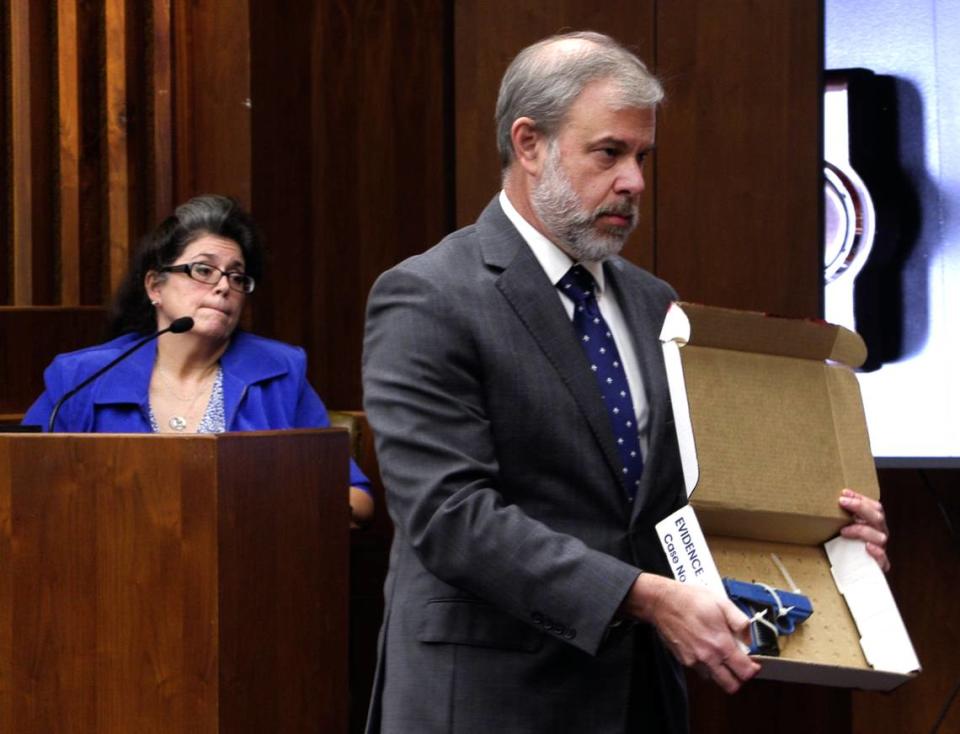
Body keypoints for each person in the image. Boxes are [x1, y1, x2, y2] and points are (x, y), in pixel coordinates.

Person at [361, 31, 890, 733]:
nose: (635, 181)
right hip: (491, 697)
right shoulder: (429, 296)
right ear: (529, 145)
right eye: (609, 153)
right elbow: (450, 518)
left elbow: (677, 507)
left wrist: (826, 547)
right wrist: (646, 597)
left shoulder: (652, 303)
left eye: (642, 157)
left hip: (638, 698)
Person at [24, 194, 373, 527]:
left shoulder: (279, 373)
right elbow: (20, 486)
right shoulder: (84, 377)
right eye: (203, 270)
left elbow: (358, 499)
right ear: (154, 287)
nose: (223, 286)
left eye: (237, 277)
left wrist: (285, 502)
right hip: (110, 571)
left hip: (249, 572)